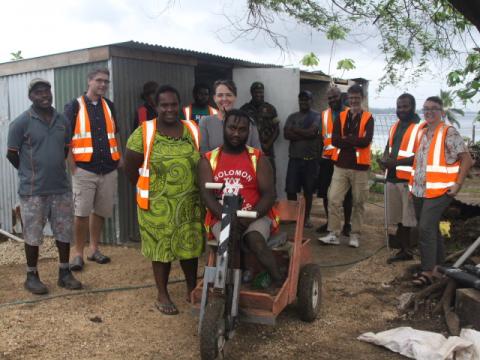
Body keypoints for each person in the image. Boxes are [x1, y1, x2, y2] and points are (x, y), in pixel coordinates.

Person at [124, 85, 203, 315]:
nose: (169, 109)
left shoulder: (192, 129)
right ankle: (162, 293)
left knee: (189, 246)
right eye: (164, 105)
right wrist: (149, 191)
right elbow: (130, 168)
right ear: (156, 106)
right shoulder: (145, 132)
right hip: (157, 206)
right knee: (161, 250)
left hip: (190, 203)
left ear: (180, 105)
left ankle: (191, 288)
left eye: (173, 104)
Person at [7, 78, 82, 294]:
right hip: (33, 192)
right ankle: (31, 276)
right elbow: (12, 154)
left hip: (60, 188)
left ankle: (64, 273)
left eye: (47, 91)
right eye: (38, 92)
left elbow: (66, 148)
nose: (44, 95)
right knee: (32, 234)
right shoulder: (21, 122)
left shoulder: (62, 121)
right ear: (30, 97)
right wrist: (30, 172)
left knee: (64, 232)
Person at [198, 109, 282, 286]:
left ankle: (278, 280)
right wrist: (227, 217)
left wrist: (244, 219)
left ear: (248, 131)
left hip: (254, 215)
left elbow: (269, 195)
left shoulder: (258, 158)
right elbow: (207, 195)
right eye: (232, 128)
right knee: (227, 239)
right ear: (224, 127)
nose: (236, 133)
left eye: (242, 129)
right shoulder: (209, 159)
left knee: (255, 241)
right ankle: (228, 286)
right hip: (221, 215)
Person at [410, 96, 473, 286]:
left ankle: (428, 270)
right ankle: (439, 266)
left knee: (425, 228)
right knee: (432, 227)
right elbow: (419, 162)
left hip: (440, 190)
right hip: (420, 190)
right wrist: (411, 186)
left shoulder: (448, 132)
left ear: (442, 112)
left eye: (433, 108)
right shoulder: (422, 132)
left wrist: (458, 184)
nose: (429, 111)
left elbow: (467, 159)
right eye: (426, 108)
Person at [64, 68, 122, 271]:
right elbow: (66, 138)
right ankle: (78, 253)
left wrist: (119, 158)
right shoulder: (74, 106)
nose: (103, 85)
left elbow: (115, 134)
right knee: (81, 213)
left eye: (106, 81)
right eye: (99, 80)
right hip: (84, 170)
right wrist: (72, 166)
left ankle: (94, 249)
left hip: (108, 169)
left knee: (101, 212)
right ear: (89, 81)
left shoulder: (109, 106)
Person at [319, 84, 374, 248]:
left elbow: (366, 141)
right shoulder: (341, 117)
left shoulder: (368, 118)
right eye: (351, 98)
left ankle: (355, 235)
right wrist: (353, 140)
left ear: (362, 98)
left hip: (360, 167)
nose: (354, 101)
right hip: (341, 165)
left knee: (358, 202)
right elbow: (335, 140)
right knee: (333, 199)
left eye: (357, 98)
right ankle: (333, 233)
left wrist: (347, 140)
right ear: (347, 99)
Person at [378, 93, 423, 264]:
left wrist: (394, 163)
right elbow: (387, 148)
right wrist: (383, 161)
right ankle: (404, 248)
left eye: (405, 106)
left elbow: (420, 156)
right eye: (399, 107)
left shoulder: (420, 127)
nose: (401, 110)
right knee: (397, 217)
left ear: (413, 107)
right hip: (392, 178)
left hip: (408, 180)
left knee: (408, 218)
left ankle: (408, 250)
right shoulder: (395, 126)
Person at [316, 86, 353, 236]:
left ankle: (347, 225)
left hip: (344, 160)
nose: (332, 100)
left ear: (341, 97)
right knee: (326, 194)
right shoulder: (324, 115)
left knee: (347, 195)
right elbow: (321, 137)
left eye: (335, 97)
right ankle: (330, 222)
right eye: (330, 98)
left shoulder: (349, 113)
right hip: (327, 160)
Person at [284, 90, 321, 228]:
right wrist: (305, 134)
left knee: (308, 191)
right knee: (291, 189)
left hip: (310, 160)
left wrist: (296, 130)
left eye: (307, 100)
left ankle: (306, 218)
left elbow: (313, 132)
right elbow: (286, 134)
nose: (304, 102)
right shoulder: (292, 116)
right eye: (301, 100)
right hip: (294, 159)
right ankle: (294, 216)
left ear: (312, 101)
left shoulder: (317, 116)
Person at [199, 79, 261, 153]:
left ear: (235, 97)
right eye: (220, 95)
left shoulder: (249, 122)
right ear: (214, 98)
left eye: (229, 95)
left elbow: (257, 153)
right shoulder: (206, 122)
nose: (224, 99)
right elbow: (203, 154)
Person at [240, 81, 280, 178]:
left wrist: (267, 145)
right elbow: (240, 129)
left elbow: (277, 129)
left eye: (261, 92)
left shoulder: (270, 109)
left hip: (267, 151)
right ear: (251, 93)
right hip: (249, 151)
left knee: (269, 179)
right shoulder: (244, 109)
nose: (259, 94)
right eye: (256, 92)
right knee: (250, 179)